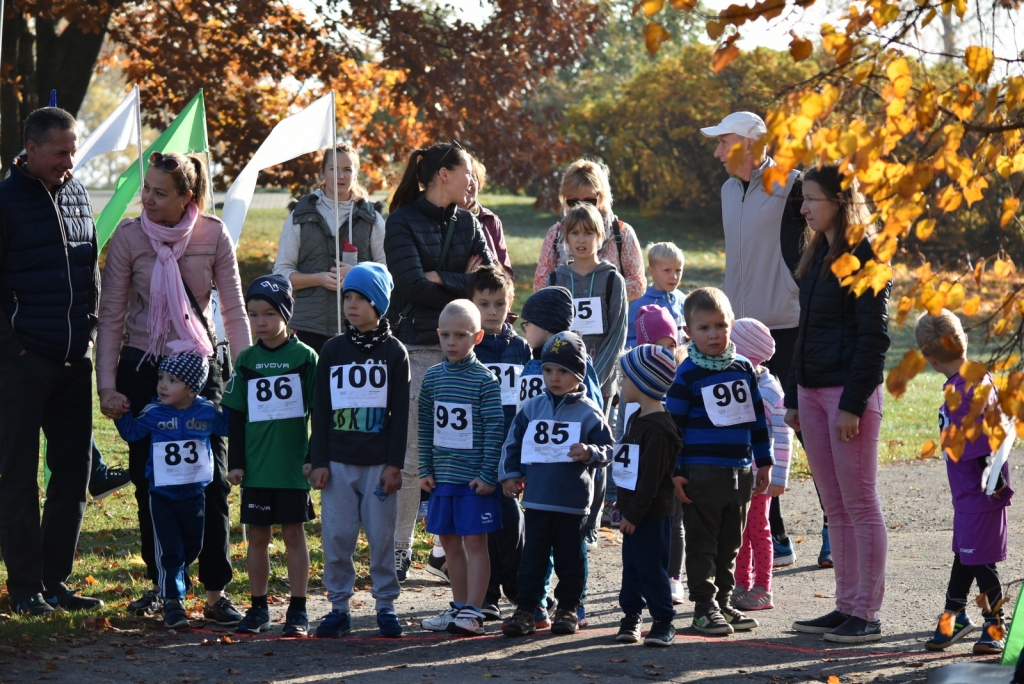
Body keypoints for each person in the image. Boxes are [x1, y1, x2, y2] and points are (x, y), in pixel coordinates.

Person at [96, 151, 250, 625]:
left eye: (160, 193)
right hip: (144, 369)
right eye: (146, 190)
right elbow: (111, 315)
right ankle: (165, 587)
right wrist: (107, 385)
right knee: (150, 483)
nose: (148, 199)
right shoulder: (128, 237)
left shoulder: (213, 233)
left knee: (214, 481)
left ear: (188, 196)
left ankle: (216, 589)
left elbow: (234, 311)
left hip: (203, 369)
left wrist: (246, 377)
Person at [700, 111, 816, 568]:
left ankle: (831, 529)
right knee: (754, 437)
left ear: (749, 144)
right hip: (741, 332)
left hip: (787, 325)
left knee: (804, 428)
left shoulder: (791, 185)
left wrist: (795, 291)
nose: (715, 151)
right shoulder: (729, 189)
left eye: (721, 142)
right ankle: (778, 537)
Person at [0, 107, 104, 615]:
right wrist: (13, 349)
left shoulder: (78, 192)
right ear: (32, 148)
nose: (70, 160)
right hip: (22, 364)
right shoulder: (4, 201)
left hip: (71, 361)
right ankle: (24, 588)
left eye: (73, 150)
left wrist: (87, 331)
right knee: (17, 477)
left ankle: (54, 580)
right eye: (61, 151)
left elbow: (90, 267)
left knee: (73, 473)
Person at [785, 163, 891, 644]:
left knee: (860, 503)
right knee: (837, 508)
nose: (804, 208)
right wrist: (793, 395)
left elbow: (875, 339)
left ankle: (866, 613)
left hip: (847, 397)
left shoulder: (867, 256)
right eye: (802, 199)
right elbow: (805, 332)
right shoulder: (818, 253)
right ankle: (846, 606)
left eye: (812, 199)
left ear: (841, 203)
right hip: (811, 393)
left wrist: (852, 403)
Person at [383, 141, 494, 583]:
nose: (473, 180)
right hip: (416, 349)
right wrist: (463, 282)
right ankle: (398, 550)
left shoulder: (470, 221)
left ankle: (443, 548)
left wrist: (446, 279)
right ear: (443, 174)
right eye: (467, 171)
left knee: (460, 454)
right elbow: (411, 287)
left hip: (466, 353)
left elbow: (491, 280)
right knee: (414, 455)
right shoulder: (402, 222)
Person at [309, 262, 409, 639]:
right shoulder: (332, 350)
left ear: (378, 304)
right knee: (336, 536)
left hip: (379, 464)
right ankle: (338, 607)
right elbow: (319, 410)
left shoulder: (395, 353)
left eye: (361, 298)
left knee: (382, 537)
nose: (351, 304)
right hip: (337, 462)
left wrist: (395, 464)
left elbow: (400, 414)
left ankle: (385, 605)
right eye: (347, 296)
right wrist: (318, 459)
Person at [666, 287, 772, 636]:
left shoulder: (743, 368)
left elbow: (757, 418)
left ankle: (724, 602)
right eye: (704, 328)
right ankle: (703, 607)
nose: (713, 334)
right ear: (689, 332)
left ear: (731, 326)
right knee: (702, 544)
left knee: (731, 544)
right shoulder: (688, 373)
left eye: (721, 326)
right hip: (701, 473)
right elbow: (674, 427)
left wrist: (764, 461)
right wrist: (677, 471)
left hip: (739, 472)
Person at [499, 331, 614, 637]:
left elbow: (610, 449)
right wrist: (509, 474)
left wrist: (591, 452)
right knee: (532, 560)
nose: (554, 377)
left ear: (578, 375)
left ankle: (568, 609)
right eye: (548, 370)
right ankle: (526, 609)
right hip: (536, 500)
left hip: (572, 503)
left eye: (563, 371)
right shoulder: (532, 408)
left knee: (570, 560)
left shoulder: (589, 411)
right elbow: (513, 443)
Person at [221, 275, 318, 636]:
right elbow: (234, 413)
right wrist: (236, 462)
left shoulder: (306, 358)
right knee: (258, 538)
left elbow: (320, 412)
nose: (260, 323)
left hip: (293, 468)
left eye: (268, 314)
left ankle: (298, 610)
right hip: (257, 469)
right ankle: (259, 608)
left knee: (294, 535)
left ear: (286, 315)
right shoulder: (246, 360)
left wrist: (313, 456)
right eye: (253, 315)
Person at [915, 309, 1012, 654]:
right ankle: (953, 619)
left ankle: (996, 623)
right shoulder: (971, 379)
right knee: (965, 555)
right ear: (964, 341)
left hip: (980, 493)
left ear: (928, 359)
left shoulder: (965, 392)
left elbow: (987, 445)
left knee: (981, 562)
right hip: (968, 494)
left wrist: (996, 482)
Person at [112, 352, 229, 630]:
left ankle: (178, 585)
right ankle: (173, 603)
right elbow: (132, 433)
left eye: (172, 380)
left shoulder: (207, 412)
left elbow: (228, 426)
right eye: (161, 378)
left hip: (195, 496)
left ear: (191, 388)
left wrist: (237, 404)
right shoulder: (154, 413)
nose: (162, 385)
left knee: (192, 547)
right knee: (170, 552)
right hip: (162, 497)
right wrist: (120, 413)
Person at [516, 286, 604, 628]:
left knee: (569, 551)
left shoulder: (582, 372)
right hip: (538, 481)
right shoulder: (532, 365)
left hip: (570, 486)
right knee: (536, 549)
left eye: (529, 323)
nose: (524, 329)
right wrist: (514, 468)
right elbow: (521, 422)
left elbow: (594, 421)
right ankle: (533, 606)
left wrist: (590, 457)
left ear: (548, 326)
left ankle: (571, 606)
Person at [417, 300, 505, 636]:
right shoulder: (433, 378)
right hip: (443, 480)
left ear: (477, 337)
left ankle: (473, 611)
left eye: (461, 335)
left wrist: (486, 475)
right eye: (446, 335)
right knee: (450, 543)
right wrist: (425, 467)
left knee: (475, 544)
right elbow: (425, 424)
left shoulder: (485, 380)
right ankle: (458, 608)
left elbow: (495, 429)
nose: (452, 342)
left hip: (473, 483)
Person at [547, 203, 628, 548]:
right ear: (565, 238)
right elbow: (551, 329)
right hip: (562, 379)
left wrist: (594, 375)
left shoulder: (612, 279)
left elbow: (618, 332)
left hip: (601, 379)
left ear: (602, 237)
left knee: (597, 447)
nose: (581, 240)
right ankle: (562, 511)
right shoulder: (557, 278)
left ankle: (591, 521)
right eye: (574, 233)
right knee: (566, 443)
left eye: (589, 233)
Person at [273, 142, 387, 354]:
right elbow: (281, 273)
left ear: (356, 173)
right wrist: (318, 279)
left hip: (361, 327)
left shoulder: (372, 218)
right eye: (333, 169)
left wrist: (359, 273)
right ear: (323, 172)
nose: (340, 176)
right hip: (310, 327)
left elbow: (387, 273)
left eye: (347, 169)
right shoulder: (300, 215)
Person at [468, 265, 532, 618]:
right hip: (477, 447)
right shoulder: (467, 347)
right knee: (482, 520)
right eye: (483, 304)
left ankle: (519, 585)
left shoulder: (521, 349)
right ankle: (488, 593)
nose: (492, 312)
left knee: (511, 516)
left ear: (510, 305)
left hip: (511, 446)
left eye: (498, 304)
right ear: (471, 304)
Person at [614, 345, 681, 648]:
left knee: (652, 568)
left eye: (624, 377)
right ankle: (630, 617)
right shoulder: (637, 419)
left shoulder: (659, 428)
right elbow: (630, 467)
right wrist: (622, 500)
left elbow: (652, 479)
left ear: (643, 382)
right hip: (634, 510)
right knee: (632, 567)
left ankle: (664, 621)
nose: (620, 383)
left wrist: (634, 513)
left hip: (651, 514)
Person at [626, 304, 686, 606]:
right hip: (633, 500)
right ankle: (633, 612)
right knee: (635, 562)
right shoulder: (634, 411)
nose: (665, 354)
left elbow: (652, 470)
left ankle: (671, 583)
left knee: (671, 531)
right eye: (657, 347)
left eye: (670, 347)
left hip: (658, 496)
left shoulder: (662, 418)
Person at [730, 318, 792, 612]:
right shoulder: (733, 381)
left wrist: (779, 475)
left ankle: (763, 587)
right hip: (735, 472)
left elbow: (783, 433)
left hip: (760, 476)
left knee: (759, 530)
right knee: (739, 532)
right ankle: (741, 583)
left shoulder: (768, 389)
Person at [533, 158, 646, 301]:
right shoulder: (555, 233)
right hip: (566, 316)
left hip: (609, 318)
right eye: (573, 202)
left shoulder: (622, 233)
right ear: (565, 199)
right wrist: (572, 294)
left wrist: (597, 291)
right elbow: (539, 284)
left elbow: (638, 284)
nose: (582, 207)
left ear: (602, 197)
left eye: (589, 201)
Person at [460, 156, 513, 278]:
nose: (471, 182)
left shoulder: (490, 220)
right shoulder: (442, 219)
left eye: (474, 177)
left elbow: (507, 274)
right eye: (467, 176)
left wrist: (489, 273)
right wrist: (464, 277)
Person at [626, 243, 685, 348]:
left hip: (683, 360)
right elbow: (629, 339)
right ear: (652, 271)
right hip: (654, 362)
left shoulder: (683, 299)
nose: (674, 276)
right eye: (667, 270)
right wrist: (650, 348)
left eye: (678, 270)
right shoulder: (641, 303)